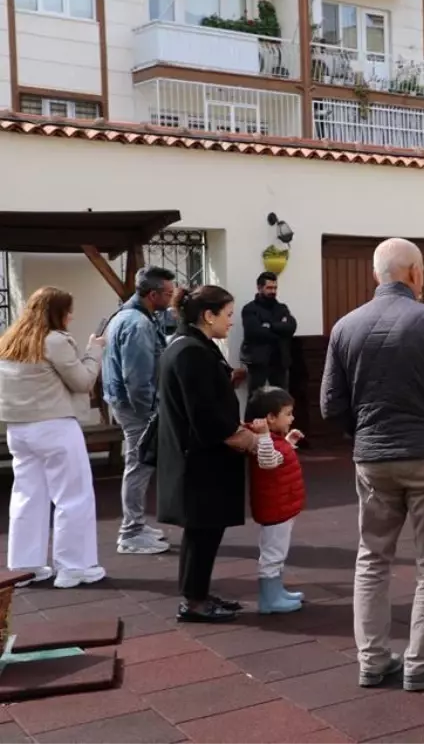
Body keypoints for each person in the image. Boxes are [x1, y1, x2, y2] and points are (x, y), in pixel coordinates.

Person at [321, 238, 424, 691]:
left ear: (377, 275)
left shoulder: (345, 327)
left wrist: (364, 434)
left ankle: (372, 661)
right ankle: (422, 663)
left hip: (373, 456)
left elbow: (331, 403)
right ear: (414, 273)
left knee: (372, 559)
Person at [157, 285, 257, 624]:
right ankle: (194, 601)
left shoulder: (195, 347)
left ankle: (197, 594)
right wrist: (242, 437)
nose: (231, 322)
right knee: (202, 531)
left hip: (200, 457)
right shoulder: (190, 352)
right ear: (208, 315)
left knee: (204, 532)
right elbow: (203, 413)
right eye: (228, 315)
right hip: (200, 461)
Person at [0, 287, 106, 589]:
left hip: (18, 430)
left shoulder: (10, 340)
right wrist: (94, 350)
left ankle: (24, 566)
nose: (71, 316)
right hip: (55, 427)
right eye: (68, 310)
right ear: (56, 312)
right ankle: (74, 567)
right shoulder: (55, 341)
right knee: (73, 497)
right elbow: (83, 382)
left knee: (26, 496)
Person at [103, 266, 175, 556]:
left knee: (139, 465)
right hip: (136, 409)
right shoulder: (137, 324)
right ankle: (130, 532)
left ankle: (137, 525)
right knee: (138, 465)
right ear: (153, 294)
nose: (171, 299)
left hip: (126, 403)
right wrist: (150, 416)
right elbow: (137, 380)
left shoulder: (131, 315)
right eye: (168, 294)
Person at [246, 387, 307, 615]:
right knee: (273, 553)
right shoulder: (265, 441)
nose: (291, 418)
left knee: (278, 552)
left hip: (281, 508)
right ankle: (269, 599)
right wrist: (263, 437)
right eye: (288, 413)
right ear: (270, 418)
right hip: (275, 510)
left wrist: (288, 442)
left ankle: (276, 591)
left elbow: (277, 457)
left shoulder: (274, 440)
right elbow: (268, 461)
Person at [240, 271, 296, 398]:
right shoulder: (250, 309)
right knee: (255, 398)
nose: (273, 291)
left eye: (275, 288)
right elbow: (254, 332)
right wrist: (280, 332)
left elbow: (291, 327)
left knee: (282, 399)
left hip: (280, 361)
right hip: (258, 362)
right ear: (259, 288)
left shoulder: (282, 308)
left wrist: (270, 326)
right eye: (269, 288)